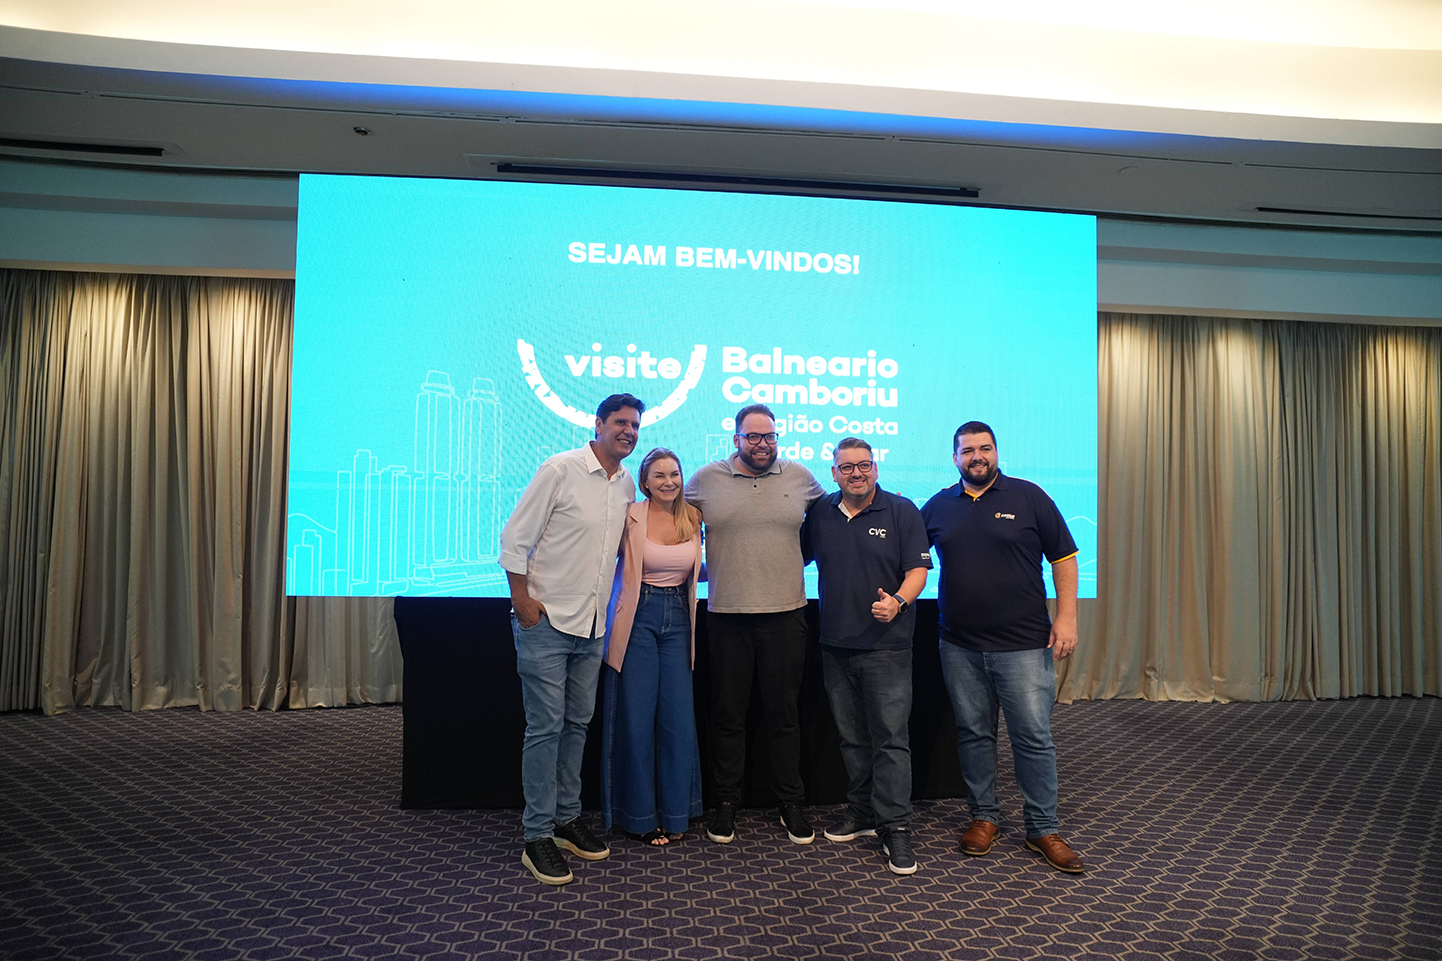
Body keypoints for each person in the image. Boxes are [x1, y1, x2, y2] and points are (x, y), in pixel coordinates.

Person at [920, 420, 1085, 873]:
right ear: (955, 458)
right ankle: (984, 817)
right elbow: (908, 555)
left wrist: (1067, 617)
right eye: (968, 450)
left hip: (1024, 646)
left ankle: (1043, 828)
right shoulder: (937, 506)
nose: (977, 457)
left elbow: (1064, 557)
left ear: (996, 452)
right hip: (959, 645)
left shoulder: (1030, 497)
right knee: (974, 734)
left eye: (985, 448)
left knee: (1032, 737)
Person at [498, 393, 643, 885]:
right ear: (598, 424)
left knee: (577, 725)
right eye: (620, 422)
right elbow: (515, 538)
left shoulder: (626, 484)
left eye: (635, 425)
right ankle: (536, 834)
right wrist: (522, 600)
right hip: (546, 622)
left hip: (592, 626)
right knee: (545, 728)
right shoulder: (560, 469)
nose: (628, 431)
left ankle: (565, 820)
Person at [684, 403, 825, 845]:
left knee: (784, 716)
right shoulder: (705, 480)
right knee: (728, 716)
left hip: (787, 615)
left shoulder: (801, 478)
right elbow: (669, 521)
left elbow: (829, 525)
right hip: (727, 617)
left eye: (769, 436)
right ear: (737, 439)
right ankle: (726, 802)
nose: (762, 444)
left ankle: (790, 802)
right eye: (753, 437)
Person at [802, 438, 931, 875]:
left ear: (875, 468)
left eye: (864, 465)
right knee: (852, 739)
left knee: (890, 740)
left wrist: (898, 601)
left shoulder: (901, 510)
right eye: (847, 467)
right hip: (835, 645)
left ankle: (896, 826)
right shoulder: (820, 512)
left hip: (886, 647)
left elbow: (918, 570)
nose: (856, 473)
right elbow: (793, 557)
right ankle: (861, 812)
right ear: (834, 472)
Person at [601, 447, 705, 845]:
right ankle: (640, 817)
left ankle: (676, 814)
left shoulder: (693, 517)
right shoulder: (630, 516)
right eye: (659, 475)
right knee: (637, 718)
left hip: (679, 617)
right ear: (644, 481)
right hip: (637, 616)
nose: (668, 482)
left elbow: (697, 569)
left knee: (678, 720)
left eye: (674, 474)